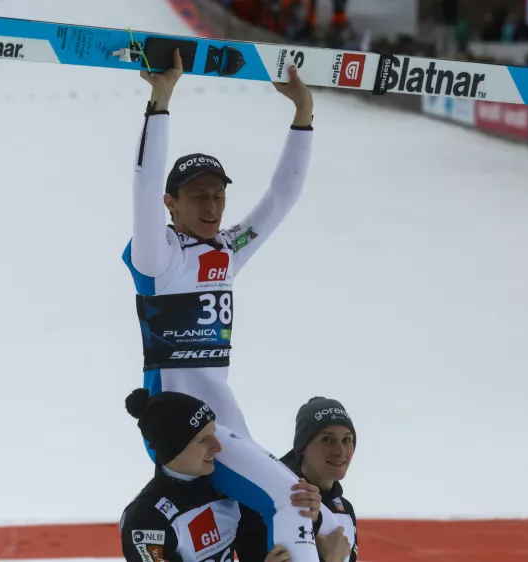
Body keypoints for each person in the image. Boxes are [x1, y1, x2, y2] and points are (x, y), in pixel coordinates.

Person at [121, 49, 349, 562]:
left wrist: (303, 113)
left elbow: (280, 199)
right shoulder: (158, 260)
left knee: (321, 516)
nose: (211, 206)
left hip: (226, 426)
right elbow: (142, 186)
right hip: (187, 432)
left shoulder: (226, 254)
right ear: (170, 201)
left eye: (218, 196)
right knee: (293, 503)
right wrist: (160, 100)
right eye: (197, 195)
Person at [118, 388, 344, 562]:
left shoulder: (225, 483)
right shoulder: (146, 519)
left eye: (214, 434)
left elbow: (259, 536)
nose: (218, 447)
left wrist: (311, 516)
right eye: (202, 440)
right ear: (174, 449)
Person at [235, 397, 359, 562]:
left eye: (347, 440)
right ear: (302, 447)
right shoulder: (265, 501)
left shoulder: (344, 509)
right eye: (327, 440)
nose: (340, 451)